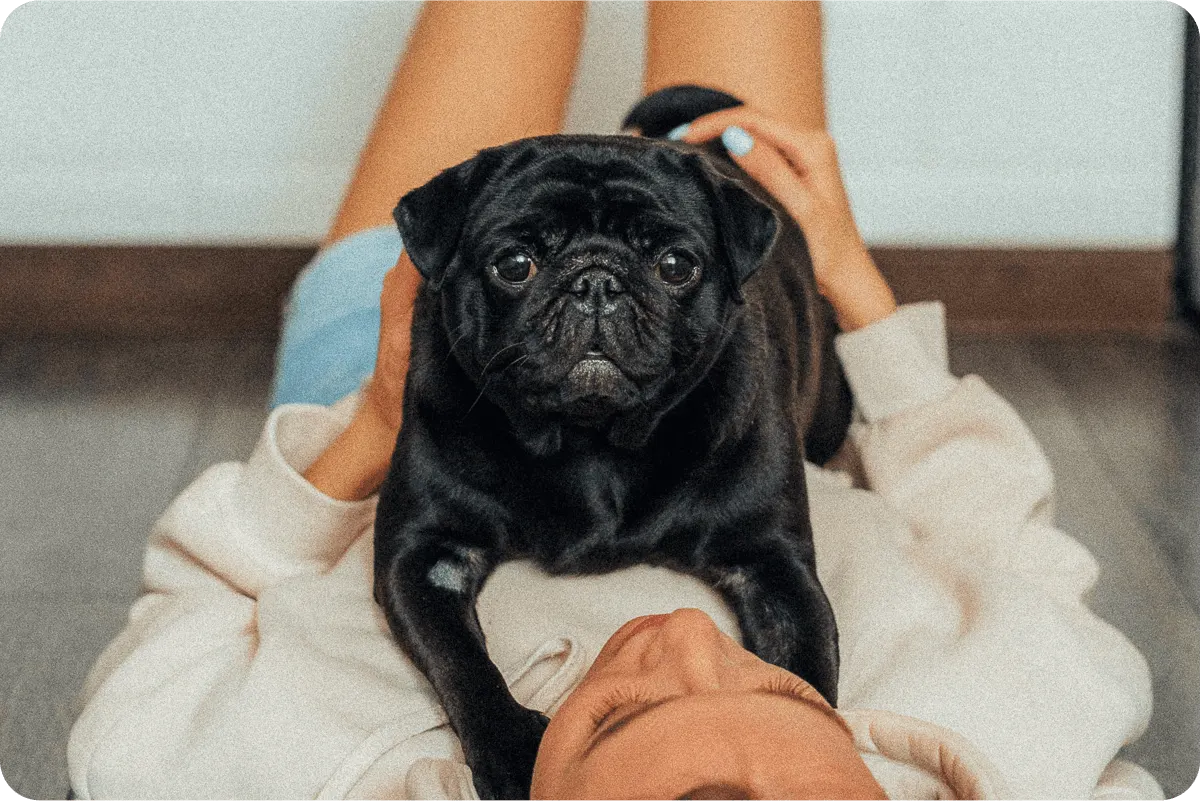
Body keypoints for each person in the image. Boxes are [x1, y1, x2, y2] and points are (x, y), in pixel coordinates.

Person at [67, 2, 1163, 800]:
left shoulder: (319, 768)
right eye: (775, 696)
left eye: (620, 714)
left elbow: (172, 643)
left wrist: (370, 424)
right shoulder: (1021, 745)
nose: (680, 640)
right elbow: (1022, 559)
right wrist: (855, 289)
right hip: (738, 331)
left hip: (382, 389)